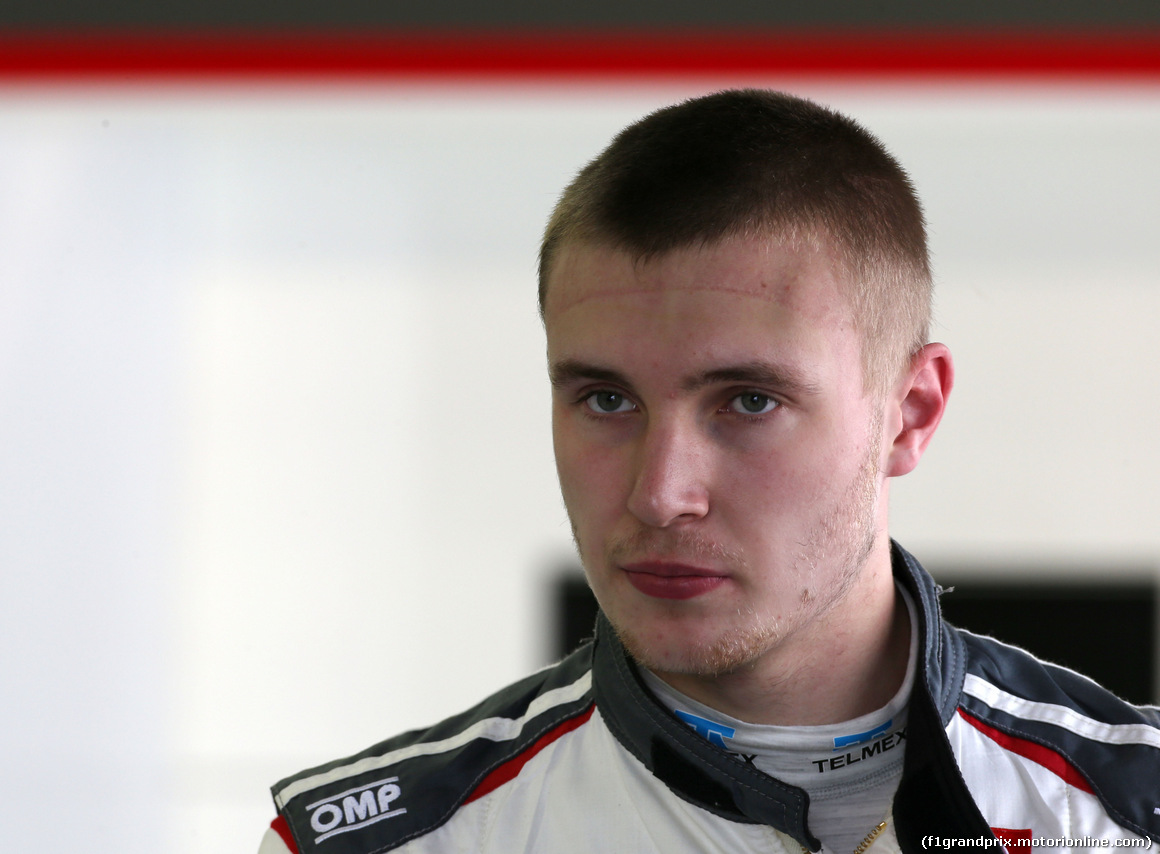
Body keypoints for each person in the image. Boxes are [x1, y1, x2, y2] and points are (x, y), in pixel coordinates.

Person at [258, 89, 1159, 854]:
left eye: (748, 401)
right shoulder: (397, 842)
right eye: (606, 400)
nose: (659, 494)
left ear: (910, 413)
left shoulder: (1130, 816)